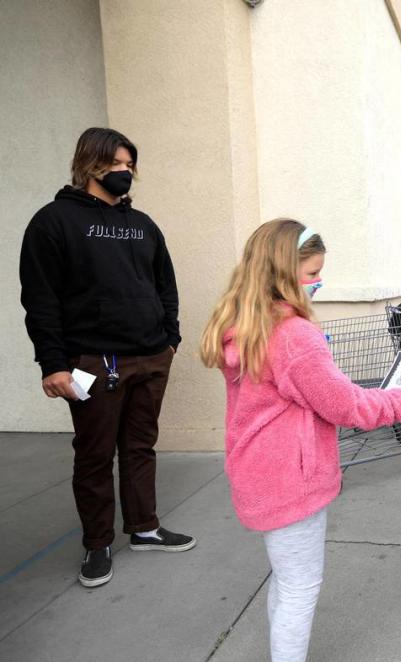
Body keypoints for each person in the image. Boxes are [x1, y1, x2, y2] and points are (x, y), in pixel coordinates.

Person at [200, 219, 401, 662]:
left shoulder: (245, 324)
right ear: (283, 273)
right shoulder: (292, 336)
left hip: (258, 471)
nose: (318, 283)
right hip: (291, 479)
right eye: (312, 274)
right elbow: (349, 407)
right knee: (299, 587)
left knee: (286, 577)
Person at [19, 127, 193, 589]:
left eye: (130, 165)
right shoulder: (54, 221)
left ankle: (145, 528)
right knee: (94, 456)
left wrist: (169, 338)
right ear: (89, 165)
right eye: (116, 164)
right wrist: (52, 364)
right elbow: (41, 299)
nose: (125, 173)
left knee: (140, 448)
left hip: (151, 356)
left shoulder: (143, 224)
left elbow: (165, 285)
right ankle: (98, 544)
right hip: (92, 363)